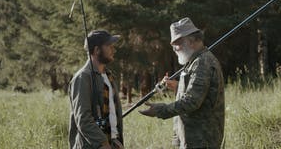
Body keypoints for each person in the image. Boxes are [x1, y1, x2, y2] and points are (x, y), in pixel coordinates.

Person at [139, 17, 225, 149]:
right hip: (194, 138)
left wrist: (160, 110)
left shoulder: (202, 63)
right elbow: (201, 93)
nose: (174, 48)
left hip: (201, 139)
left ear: (190, 41)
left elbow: (192, 101)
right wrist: (179, 87)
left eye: (177, 43)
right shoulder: (194, 62)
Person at [69, 30, 124, 149]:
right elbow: (83, 119)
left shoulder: (108, 75)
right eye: (109, 46)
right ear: (96, 50)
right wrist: (102, 143)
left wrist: (115, 141)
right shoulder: (83, 77)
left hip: (112, 143)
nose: (113, 50)